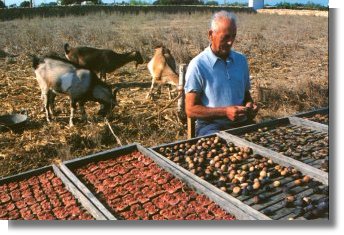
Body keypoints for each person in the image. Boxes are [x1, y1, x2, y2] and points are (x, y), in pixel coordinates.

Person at [184, 10, 258, 137]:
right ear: (210, 35)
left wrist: (249, 105)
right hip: (211, 126)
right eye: (225, 37)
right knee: (227, 150)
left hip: (241, 122)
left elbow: (246, 95)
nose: (230, 42)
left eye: (233, 36)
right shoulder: (198, 65)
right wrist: (225, 112)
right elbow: (190, 110)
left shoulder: (241, 60)